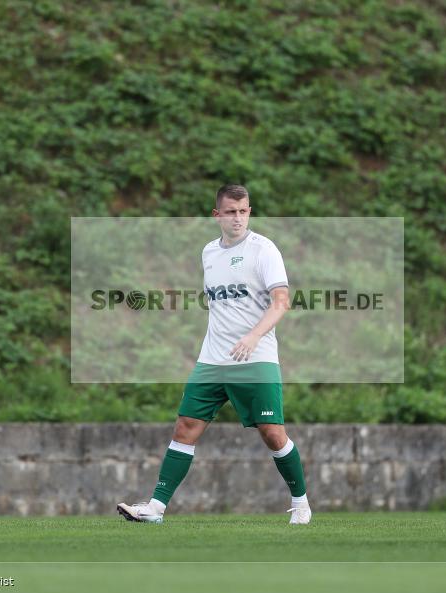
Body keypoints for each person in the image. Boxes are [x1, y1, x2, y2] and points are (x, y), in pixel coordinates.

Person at [117, 184, 311, 525]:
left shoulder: (263, 249)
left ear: (249, 212)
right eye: (231, 212)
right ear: (216, 214)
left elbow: (281, 301)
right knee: (185, 426)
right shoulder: (209, 252)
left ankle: (301, 503)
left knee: (272, 433)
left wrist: (253, 336)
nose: (238, 218)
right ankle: (155, 508)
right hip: (212, 359)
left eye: (243, 211)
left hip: (255, 358)